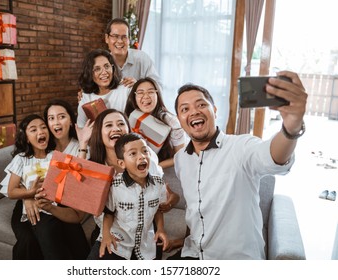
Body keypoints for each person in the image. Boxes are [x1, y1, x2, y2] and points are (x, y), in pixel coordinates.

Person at [173, 71, 307, 260]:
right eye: (184, 109)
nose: (194, 111)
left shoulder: (241, 147)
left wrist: (291, 128)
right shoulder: (181, 160)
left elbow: (272, 156)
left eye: (201, 104)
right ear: (179, 119)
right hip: (193, 254)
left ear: (215, 110)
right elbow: (196, 210)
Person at [78, 109, 178, 259]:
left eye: (120, 124)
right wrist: (83, 143)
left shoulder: (146, 158)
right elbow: (80, 194)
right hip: (112, 234)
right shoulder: (95, 166)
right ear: (99, 133)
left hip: (144, 235)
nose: (116, 128)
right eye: (109, 125)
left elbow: (165, 195)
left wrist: (168, 204)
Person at [3, 114, 89, 260]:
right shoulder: (21, 159)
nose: (41, 132)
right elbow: (11, 191)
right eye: (33, 129)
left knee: (74, 232)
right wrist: (30, 193)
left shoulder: (55, 155)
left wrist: (83, 145)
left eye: (43, 128)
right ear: (26, 137)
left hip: (56, 205)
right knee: (49, 235)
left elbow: (76, 171)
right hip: (39, 209)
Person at [99, 133, 169, 260]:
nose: (142, 156)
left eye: (145, 151)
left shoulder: (159, 184)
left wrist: (161, 229)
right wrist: (106, 235)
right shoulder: (114, 186)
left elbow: (159, 209)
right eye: (133, 153)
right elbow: (108, 214)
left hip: (147, 245)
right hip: (119, 242)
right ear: (122, 163)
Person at [125, 77, 187, 168]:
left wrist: (154, 167)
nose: (145, 96)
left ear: (157, 95)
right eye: (140, 92)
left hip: (166, 169)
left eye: (150, 92)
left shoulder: (171, 122)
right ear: (134, 97)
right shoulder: (129, 118)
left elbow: (180, 157)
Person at [77, 49, 130, 128]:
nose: (104, 72)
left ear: (113, 68)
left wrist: (137, 85)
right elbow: (81, 129)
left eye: (107, 66)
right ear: (89, 73)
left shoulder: (125, 88)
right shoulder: (86, 97)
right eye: (97, 69)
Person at [104, 18, 161, 88]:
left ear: (129, 39)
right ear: (107, 38)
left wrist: (138, 86)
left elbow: (158, 86)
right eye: (115, 36)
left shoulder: (142, 58)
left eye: (124, 37)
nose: (120, 41)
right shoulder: (102, 63)